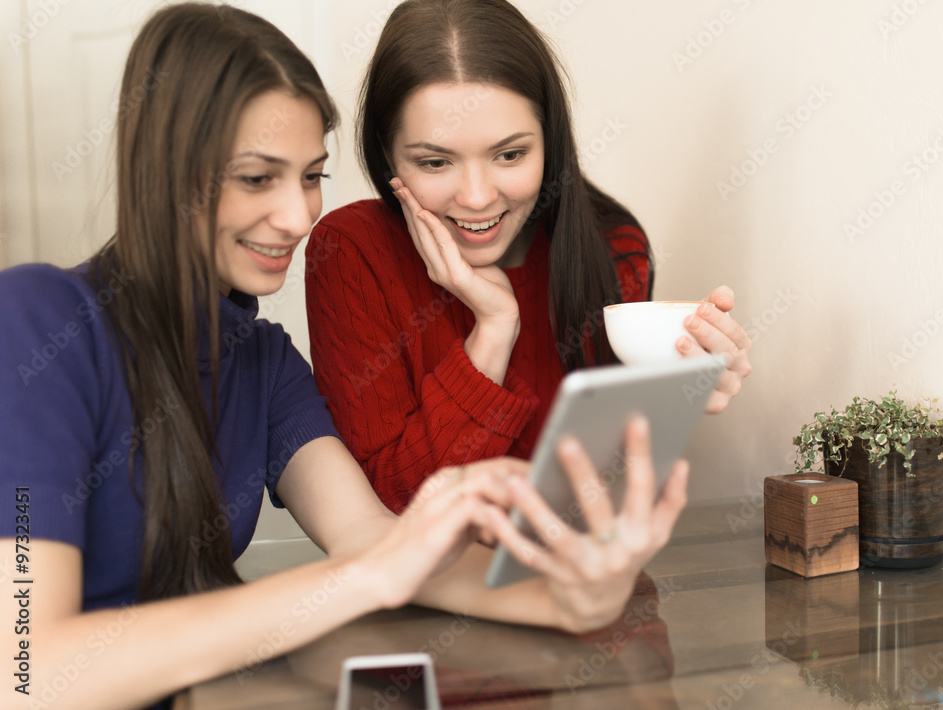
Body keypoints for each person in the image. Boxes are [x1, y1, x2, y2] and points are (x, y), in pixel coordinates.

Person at [0, 5, 690, 710]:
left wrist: (572, 597)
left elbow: (380, 540)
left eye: (309, 176)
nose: (300, 217)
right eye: (258, 178)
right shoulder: (35, 321)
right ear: (165, 174)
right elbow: (26, 671)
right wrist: (365, 575)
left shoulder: (263, 363)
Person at [305, 0, 753, 513]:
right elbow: (387, 513)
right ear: (388, 154)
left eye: (510, 154)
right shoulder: (352, 251)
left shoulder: (613, 248)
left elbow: (604, 494)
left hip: (572, 584)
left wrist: (681, 391)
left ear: (550, 140)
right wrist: (493, 329)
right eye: (434, 161)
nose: (476, 197)